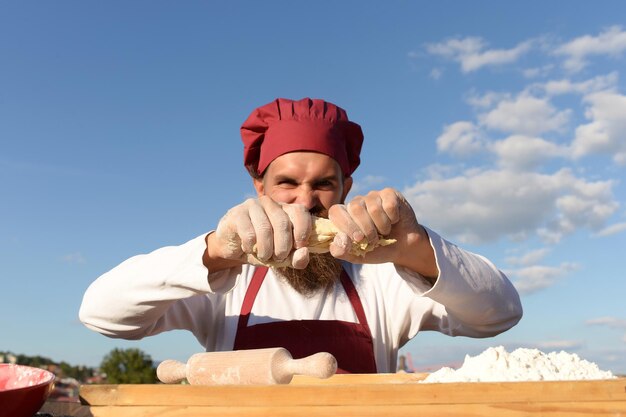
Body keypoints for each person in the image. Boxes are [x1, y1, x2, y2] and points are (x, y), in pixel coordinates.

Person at [79, 97, 522, 373]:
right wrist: (214, 250)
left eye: (324, 184)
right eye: (287, 183)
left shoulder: (386, 277)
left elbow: (499, 314)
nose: (304, 202)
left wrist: (414, 247)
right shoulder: (222, 283)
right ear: (259, 187)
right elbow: (101, 314)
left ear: (346, 188)